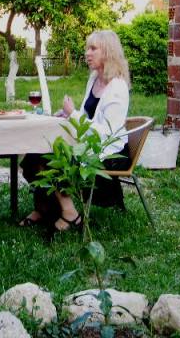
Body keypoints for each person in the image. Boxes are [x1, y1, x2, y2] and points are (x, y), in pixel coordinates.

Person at [20, 30, 131, 232]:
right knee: (36, 152)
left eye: (93, 48)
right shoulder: (94, 79)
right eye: (87, 48)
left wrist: (74, 114)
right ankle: (43, 208)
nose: (87, 53)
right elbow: (87, 116)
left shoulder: (117, 87)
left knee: (52, 156)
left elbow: (107, 133)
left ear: (108, 52)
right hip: (90, 144)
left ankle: (70, 213)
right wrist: (68, 115)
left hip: (109, 152)